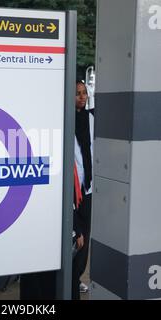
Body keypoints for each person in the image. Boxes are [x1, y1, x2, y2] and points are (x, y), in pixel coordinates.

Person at [72, 80, 94, 300]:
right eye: (77, 93)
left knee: (84, 237)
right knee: (74, 236)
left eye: (84, 93)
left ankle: (76, 277)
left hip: (87, 189)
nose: (82, 97)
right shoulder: (65, 118)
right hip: (71, 189)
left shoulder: (90, 118)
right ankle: (69, 277)